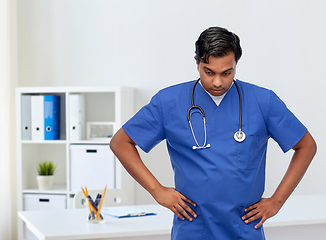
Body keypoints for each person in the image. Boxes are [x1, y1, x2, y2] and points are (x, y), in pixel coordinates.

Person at [110, 26, 317, 240]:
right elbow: (121, 142)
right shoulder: (169, 102)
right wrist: (156, 190)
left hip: (243, 228)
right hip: (192, 227)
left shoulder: (263, 101)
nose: (218, 82)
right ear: (197, 63)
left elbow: (306, 145)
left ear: (236, 64)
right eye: (209, 72)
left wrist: (277, 201)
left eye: (227, 73)